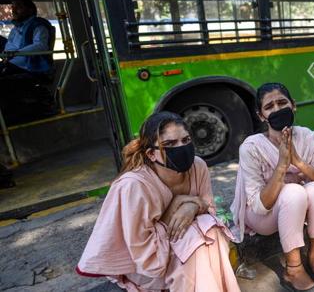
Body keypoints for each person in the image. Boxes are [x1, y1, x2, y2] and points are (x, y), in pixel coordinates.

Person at [77, 111, 240, 292]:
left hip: (188, 247)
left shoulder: (198, 166)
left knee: (209, 230)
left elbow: (209, 211)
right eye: (169, 144)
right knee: (202, 241)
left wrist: (193, 205)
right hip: (146, 267)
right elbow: (147, 260)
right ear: (151, 154)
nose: (181, 147)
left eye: (186, 140)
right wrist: (173, 209)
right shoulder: (134, 186)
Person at [230, 82, 314, 291]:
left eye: (282, 102)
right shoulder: (251, 148)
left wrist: (299, 163)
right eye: (269, 107)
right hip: (262, 216)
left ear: (293, 105)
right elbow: (259, 206)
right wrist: (281, 166)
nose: (277, 109)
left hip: (298, 208)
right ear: (261, 116)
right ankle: (293, 268)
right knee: (294, 192)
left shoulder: (309, 138)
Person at [1, 0, 54, 76]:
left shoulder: (38, 25)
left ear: (30, 10)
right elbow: (9, 44)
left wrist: (15, 53)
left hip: (25, 65)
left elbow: (41, 45)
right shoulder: (17, 27)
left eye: (18, 7)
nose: (13, 11)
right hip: (10, 58)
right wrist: (7, 55)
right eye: (13, 7)